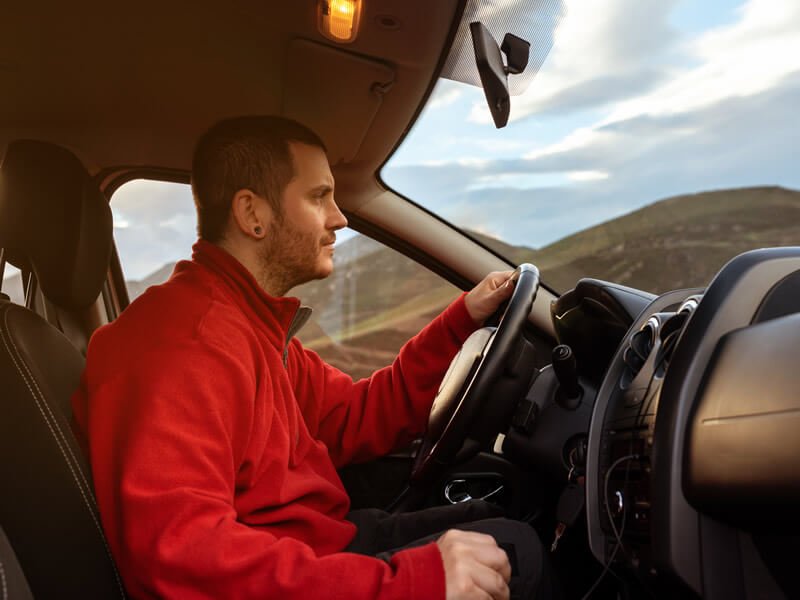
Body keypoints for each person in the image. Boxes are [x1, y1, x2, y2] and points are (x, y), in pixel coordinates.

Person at [72, 116, 552, 599]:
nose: (339, 218)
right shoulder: (184, 345)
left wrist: (461, 321)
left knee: (507, 517)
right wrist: (412, 584)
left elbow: (352, 417)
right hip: (288, 569)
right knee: (519, 556)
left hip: (317, 543)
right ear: (252, 214)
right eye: (319, 197)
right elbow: (179, 553)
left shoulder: (250, 323)